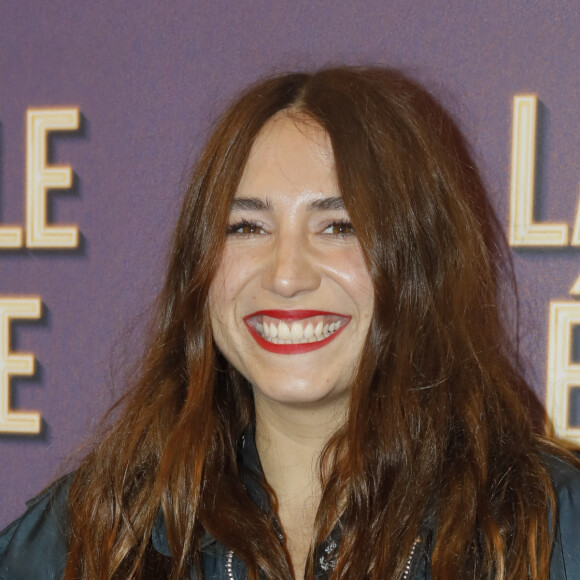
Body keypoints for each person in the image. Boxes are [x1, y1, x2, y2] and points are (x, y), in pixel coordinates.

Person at [1, 66, 580, 580]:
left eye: (339, 227)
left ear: (416, 261)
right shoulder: (100, 530)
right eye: (247, 228)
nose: (286, 275)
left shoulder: (545, 526)